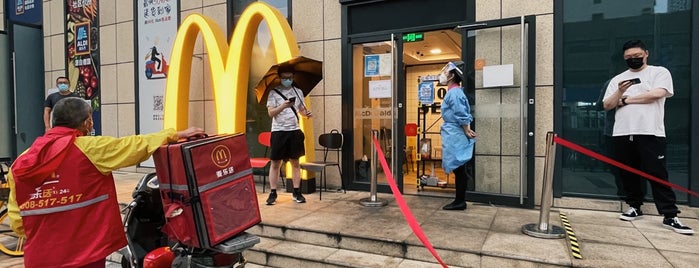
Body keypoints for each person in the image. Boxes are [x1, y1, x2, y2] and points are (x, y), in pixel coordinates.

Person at [7, 97, 205, 267]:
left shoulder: (22, 161)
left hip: (40, 257)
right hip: (85, 255)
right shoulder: (90, 149)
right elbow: (133, 145)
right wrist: (174, 135)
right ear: (87, 123)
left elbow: (17, 221)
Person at [602, 39, 693, 235]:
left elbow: (658, 94)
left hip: (650, 132)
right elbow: (607, 104)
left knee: (657, 173)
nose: (633, 60)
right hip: (622, 132)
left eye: (637, 56)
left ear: (646, 54)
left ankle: (670, 215)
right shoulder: (618, 79)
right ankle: (634, 206)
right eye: (628, 58)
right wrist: (619, 91)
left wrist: (625, 100)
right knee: (627, 173)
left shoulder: (659, 72)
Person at [265, 68, 312, 205]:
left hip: (294, 130)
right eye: (285, 77)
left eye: (290, 77)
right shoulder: (273, 92)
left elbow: (301, 110)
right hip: (278, 131)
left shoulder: (298, 91)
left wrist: (306, 114)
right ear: (280, 77)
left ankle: (297, 192)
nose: (288, 80)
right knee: (275, 163)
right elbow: (271, 113)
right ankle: (273, 192)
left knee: (295, 162)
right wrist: (283, 106)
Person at [438, 61, 476, 211]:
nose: (443, 74)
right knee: (459, 167)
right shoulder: (455, 92)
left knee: (459, 167)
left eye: (446, 72)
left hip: (455, 133)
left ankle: (460, 201)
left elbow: (461, 113)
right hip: (453, 131)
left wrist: (466, 128)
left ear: (452, 75)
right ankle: (459, 200)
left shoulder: (454, 93)